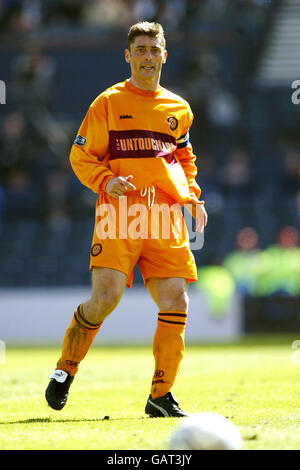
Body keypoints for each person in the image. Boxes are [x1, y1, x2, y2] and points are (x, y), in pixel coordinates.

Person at [45, 21, 207, 417]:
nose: (148, 56)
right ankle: (65, 369)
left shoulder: (178, 109)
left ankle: (160, 396)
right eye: (141, 49)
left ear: (164, 55)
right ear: (128, 55)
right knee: (105, 299)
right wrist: (106, 180)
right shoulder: (108, 103)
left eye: (154, 49)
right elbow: (80, 156)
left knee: (176, 299)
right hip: (121, 217)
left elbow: (184, 160)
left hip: (165, 217)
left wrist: (193, 198)